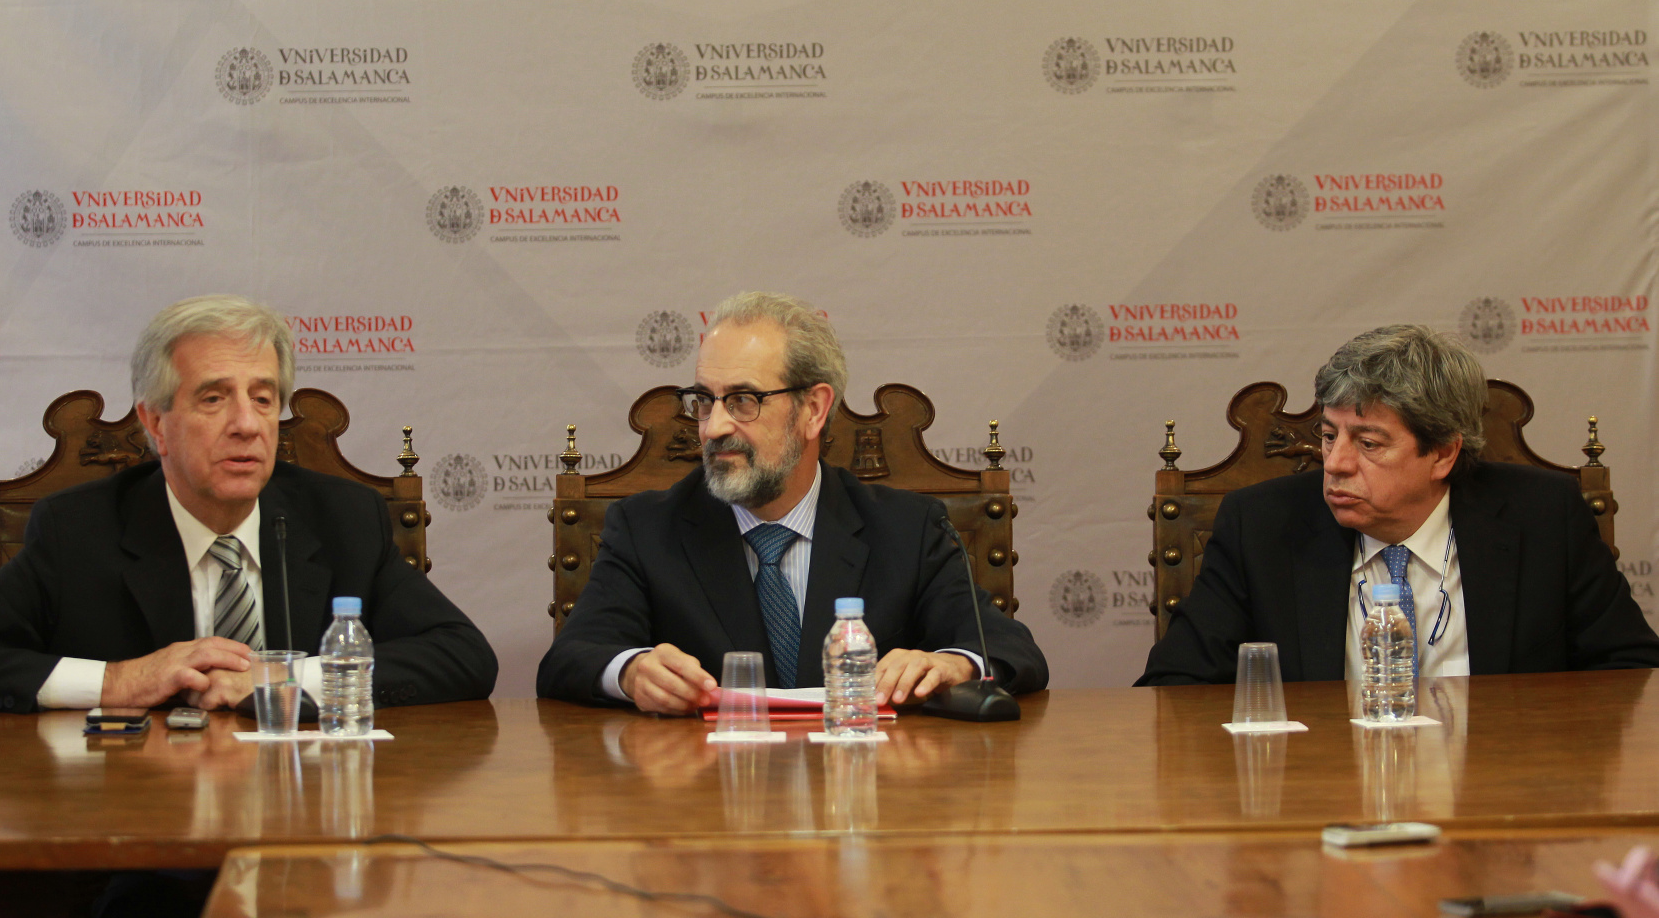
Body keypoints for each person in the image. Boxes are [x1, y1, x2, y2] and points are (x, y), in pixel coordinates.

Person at [0, 294, 498, 713]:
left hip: (305, 807)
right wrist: (118, 680)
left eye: (262, 399)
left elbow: (462, 655)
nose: (246, 425)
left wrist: (282, 679)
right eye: (213, 398)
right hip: (141, 808)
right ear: (155, 422)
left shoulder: (344, 519)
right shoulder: (78, 530)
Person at [537, 291, 1048, 714]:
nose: (713, 427)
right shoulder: (648, 527)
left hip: (866, 790)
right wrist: (630, 672)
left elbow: (1011, 649)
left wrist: (954, 665)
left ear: (813, 410)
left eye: (743, 400)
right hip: (709, 792)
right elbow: (571, 658)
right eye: (705, 400)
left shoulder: (907, 529)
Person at [1139, 324, 1659, 686]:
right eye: (1328, 436)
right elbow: (1174, 686)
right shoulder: (1261, 525)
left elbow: (1632, 671)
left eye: (1368, 443)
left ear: (1443, 453)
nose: (1336, 463)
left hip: (1499, 786)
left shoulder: (1543, 517)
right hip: (1319, 788)